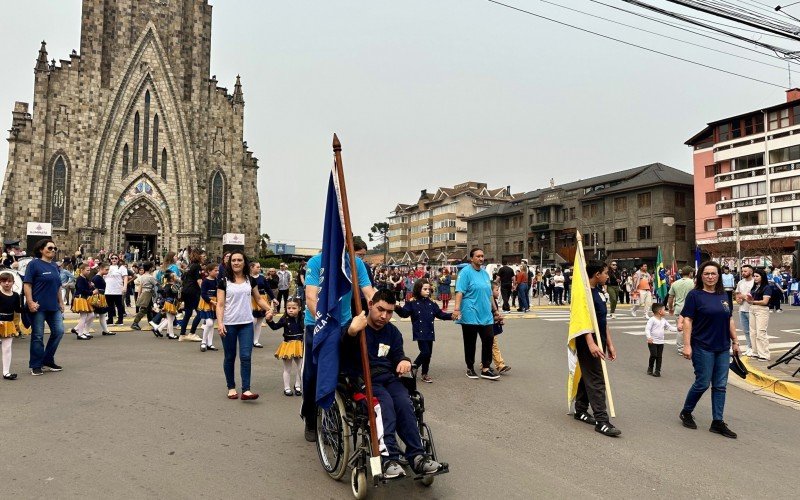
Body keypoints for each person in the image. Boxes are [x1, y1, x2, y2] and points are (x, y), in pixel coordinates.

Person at [343, 290, 445, 478]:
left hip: (389, 378)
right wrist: (351, 332)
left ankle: (418, 456)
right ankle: (389, 458)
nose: (384, 316)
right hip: (363, 380)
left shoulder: (392, 332)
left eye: (389, 312)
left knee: (405, 404)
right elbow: (342, 353)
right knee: (384, 406)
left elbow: (397, 353)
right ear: (371, 304)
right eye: (380, 309)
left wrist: (403, 360)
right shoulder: (357, 327)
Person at [302, 249, 375, 441]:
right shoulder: (316, 262)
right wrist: (323, 322)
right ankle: (311, 418)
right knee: (313, 375)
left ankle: (340, 412)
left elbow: (369, 292)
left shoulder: (355, 263)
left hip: (344, 322)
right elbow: (311, 297)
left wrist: (380, 309)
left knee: (348, 369)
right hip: (317, 324)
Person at [679, 261, 739, 439]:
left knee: (720, 386)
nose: (710, 277)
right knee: (703, 383)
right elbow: (687, 320)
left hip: (722, 346)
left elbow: (729, 320)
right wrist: (687, 345)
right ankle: (686, 412)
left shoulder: (724, 296)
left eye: (714, 273)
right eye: (707, 274)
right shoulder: (695, 295)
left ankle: (717, 422)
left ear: (719, 276)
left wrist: (735, 341)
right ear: (701, 276)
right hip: (702, 346)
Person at [571, 260, 620, 437]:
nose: (608, 275)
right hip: (588, 341)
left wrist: (609, 343)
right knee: (597, 378)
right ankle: (602, 420)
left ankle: (581, 409)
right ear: (597, 274)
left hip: (599, 339)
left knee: (588, 374)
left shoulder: (600, 292)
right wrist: (591, 343)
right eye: (605, 273)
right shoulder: (584, 294)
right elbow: (583, 321)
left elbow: (602, 320)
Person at [217, 252, 273, 401]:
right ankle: (231, 387)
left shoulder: (250, 280)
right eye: (233, 260)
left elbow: (259, 299)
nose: (236, 262)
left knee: (246, 356)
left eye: (239, 260)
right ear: (230, 263)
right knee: (230, 356)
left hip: (246, 323)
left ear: (244, 262)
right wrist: (220, 323)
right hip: (229, 323)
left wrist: (269, 309)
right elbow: (220, 304)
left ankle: (246, 390)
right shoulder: (224, 281)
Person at [453, 247, 501, 381]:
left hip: (486, 314)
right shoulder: (465, 273)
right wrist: (456, 309)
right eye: (478, 256)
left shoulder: (485, 274)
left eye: (482, 256)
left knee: (488, 339)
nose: (481, 258)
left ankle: (486, 368)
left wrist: (496, 311)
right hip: (470, 312)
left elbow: (490, 294)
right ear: (471, 258)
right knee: (470, 342)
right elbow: (459, 291)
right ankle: (470, 368)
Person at [393, 279, 452, 383]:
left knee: (428, 354)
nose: (427, 291)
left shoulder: (431, 303)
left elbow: (440, 314)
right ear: (418, 289)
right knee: (425, 352)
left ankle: (425, 374)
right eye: (425, 289)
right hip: (420, 332)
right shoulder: (412, 302)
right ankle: (412, 366)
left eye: (428, 289)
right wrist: (397, 308)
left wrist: (452, 316)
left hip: (430, 331)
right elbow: (404, 313)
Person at [24, 238, 66, 376]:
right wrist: (30, 302)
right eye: (50, 248)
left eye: (55, 249)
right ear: (41, 249)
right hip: (38, 306)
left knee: (59, 331)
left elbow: (58, 286)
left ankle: (47, 359)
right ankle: (36, 364)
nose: (53, 250)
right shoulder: (34, 264)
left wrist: (61, 302)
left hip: (53, 306)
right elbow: (27, 284)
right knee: (37, 336)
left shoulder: (54, 266)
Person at [266, 298, 304, 396]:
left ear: (299, 308)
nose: (291, 310)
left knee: (300, 367)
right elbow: (275, 327)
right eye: (288, 308)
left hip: (299, 345)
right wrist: (269, 320)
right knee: (287, 368)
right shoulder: (284, 318)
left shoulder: (303, 317)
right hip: (288, 345)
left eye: (294, 308)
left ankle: (298, 385)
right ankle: (286, 388)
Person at [746, 268, 773, 362]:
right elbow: (750, 298)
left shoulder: (767, 287)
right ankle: (755, 352)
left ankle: (764, 354)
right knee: (753, 332)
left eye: (757, 276)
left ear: (762, 277)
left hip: (761, 310)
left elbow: (765, 301)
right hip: (752, 308)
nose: (755, 278)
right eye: (754, 276)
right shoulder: (755, 287)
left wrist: (752, 301)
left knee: (761, 332)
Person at [0, 272, 23, 380]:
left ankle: (6, 372)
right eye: (4, 281)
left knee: (7, 348)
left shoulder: (15, 296)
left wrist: (31, 306)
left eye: (9, 281)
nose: (7, 283)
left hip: (9, 324)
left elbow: (18, 310)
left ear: (13, 282)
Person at [668, 266, 695, 356]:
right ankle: (691, 346)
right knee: (693, 328)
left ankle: (680, 348)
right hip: (692, 308)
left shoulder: (675, 283)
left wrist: (671, 308)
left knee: (680, 330)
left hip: (679, 308)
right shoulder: (693, 283)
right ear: (690, 273)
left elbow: (670, 297)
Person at [179, 249, 205, 342]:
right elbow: (199, 280)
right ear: (198, 256)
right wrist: (203, 292)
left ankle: (182, 334)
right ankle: (192, 333)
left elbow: (183, 279)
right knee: (200, 312)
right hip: (193, 291)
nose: (204, 257)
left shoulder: (189, 266)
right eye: (203, 255)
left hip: (186, 291)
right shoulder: (197, 266)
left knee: (188, 313)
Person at [485, 282, 511, 374]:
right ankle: (500, 365)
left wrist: (499, 320)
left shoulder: (494, 301)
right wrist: (497, 318)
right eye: (496, 290)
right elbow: (488, 316)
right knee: (494, 346)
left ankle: (484, 364)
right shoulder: (489, 302)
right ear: (490, 292)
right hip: (489, 327)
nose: (498, 292)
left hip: (493, 327)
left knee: (489, 347)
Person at [645, 303, 677, 377]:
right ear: (660, 311)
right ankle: (650, 367)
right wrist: (649, 337)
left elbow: (670, 327)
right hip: (652, 341)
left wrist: (678, 329)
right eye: (664, 310)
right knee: (653, 355)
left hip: (660, 342)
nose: (665, 311)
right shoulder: (652, 320)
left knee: (659, 356)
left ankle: (657, 371)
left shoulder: (663, 320)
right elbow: (647, 329)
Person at [250, 262, 276, 349]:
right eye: (257, 267)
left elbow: (268, 288)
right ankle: (249, 339)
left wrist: (273, 298)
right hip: (252, 299)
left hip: (262, 299)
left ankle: (256, 341)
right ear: (251, 268)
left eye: (259, 267)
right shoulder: (247, 278)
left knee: (259, 321)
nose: (259, 268)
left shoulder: (262, 277)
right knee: (253, 321)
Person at [733, 265, 755, 356]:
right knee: (746, 331)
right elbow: (737, 294)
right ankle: (749, 347)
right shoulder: (740, 282)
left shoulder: (755, 282)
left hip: (752, 309)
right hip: (742, 309)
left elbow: (754, 297)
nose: (743, 273)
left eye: (745, 271)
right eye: (742, 271)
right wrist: (738, 299)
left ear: (751, 272)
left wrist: (744, 296)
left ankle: (754, 348)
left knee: (753, 331)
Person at [198, 264, 219, 352]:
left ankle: (210, 343)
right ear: (209, 271)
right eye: (215, 270)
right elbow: (203, 294)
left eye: (217, 270)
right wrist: (211, 301)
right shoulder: (205, 281)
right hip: (207, 302)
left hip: (215, 302)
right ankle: (203, 342)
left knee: (212, 323)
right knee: (209, 323)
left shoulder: (217, 281)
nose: (217, 272)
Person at [130, 262, 157, 330]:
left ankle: (151, 322)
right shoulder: (150, 277)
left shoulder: (142, 276)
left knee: (149, 309)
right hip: (148, 293)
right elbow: (157, 284)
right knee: (144, 309)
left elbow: (140, 287)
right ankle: (135, 323)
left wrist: (139, 295)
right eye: (152, 267)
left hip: (144, 293)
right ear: (150, 268)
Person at [154, 271, 180, 340]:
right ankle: (171, 334)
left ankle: (160, 329)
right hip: (171, 303)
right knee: (171, 319)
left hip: (168, 303)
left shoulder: (166, 285)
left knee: (170, 318)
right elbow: (177, 295)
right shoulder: (173, 286)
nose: (176, 277)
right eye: (175, 276)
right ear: (171, 279)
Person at [71, 264, 94, 340]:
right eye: (87, 270)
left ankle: (77, 328)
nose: (89, 271)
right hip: (80, 298)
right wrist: (92, 292)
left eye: (89, 270)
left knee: (91, 315)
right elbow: (81, 289)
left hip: (83, 298)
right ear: (82, 270)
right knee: (83, 316)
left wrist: (91, 287)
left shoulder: (84, 278)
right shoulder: (80, 279)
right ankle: (80, 334)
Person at [104, 253, 128, 325]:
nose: (114, 260)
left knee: (119, 306)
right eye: (112, 258)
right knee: (109, 306)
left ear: (118, 259)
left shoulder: (121, 268)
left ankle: (120, 320)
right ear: (110, 260)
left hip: (117, 290)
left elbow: (125, 277)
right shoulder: (107, 267)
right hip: (108, 290)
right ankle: (110, 319)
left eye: (115, 258)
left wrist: (125, 286)